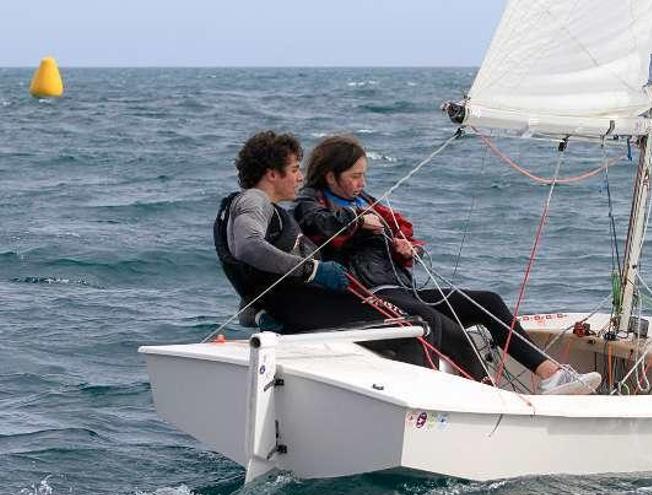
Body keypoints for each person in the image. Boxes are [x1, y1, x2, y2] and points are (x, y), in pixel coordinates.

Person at [292, 135, 602, 395]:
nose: (362, 182)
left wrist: (406, 248)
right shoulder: (312, 201)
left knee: (487, 301)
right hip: (365, 293)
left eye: (364, 174)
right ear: (331, 176)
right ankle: (486, 391)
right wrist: (358, 222)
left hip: (399, 288)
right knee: (440, 323)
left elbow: (400, 232)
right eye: (354, 176)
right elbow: (316, 225)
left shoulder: (367, 200)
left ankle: (550, 374)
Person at [213, 129, 422, 364]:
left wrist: (258, 313)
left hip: (295, 306)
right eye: (294, 170)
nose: (301, 178)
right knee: (411, 326)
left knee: (407, 321)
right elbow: (249, 248)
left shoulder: (260, 209)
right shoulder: (254, 200)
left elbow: (248, 276)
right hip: (299, 306)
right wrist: (313, 270)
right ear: (272, 174)